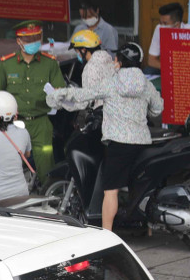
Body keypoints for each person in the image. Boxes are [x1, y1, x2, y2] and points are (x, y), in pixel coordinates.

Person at [47, 43, 163, 231]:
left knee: (111, 191)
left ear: (119, 62)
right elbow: (157, 109)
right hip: (141, 142)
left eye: (116, 59)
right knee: (135, 182)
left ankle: (107, 233)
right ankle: (141, 225)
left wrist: (59, 94)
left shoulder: (112, 83)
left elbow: (85, 94)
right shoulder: (146, 85)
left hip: (118, 144)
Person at [0, 21, 65, 181]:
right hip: (14, 123)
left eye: (37, 38)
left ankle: (49, 197)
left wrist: (58, 95)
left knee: (46, 165)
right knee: (11, 164)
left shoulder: (50, 62)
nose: (34, 43)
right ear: (19, 41)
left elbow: (61, 90)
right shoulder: (6, 64)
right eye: (29, 40)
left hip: (41, 122)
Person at [69, 30, 114, 109]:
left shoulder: (90, 68)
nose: (77, 54)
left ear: (83, 50)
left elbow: (86, 101)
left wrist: (65, 97)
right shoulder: (108, 59)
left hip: (100, 114)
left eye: (77, 51)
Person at [147, 2, 190, 73]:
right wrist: (170, 69)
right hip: (166, 68)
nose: (161, 26)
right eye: (160, 22)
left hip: (186, 71)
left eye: (165, 23)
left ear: (177, 25)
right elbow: (151, 60)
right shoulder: (159, 28)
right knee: (148, 71)